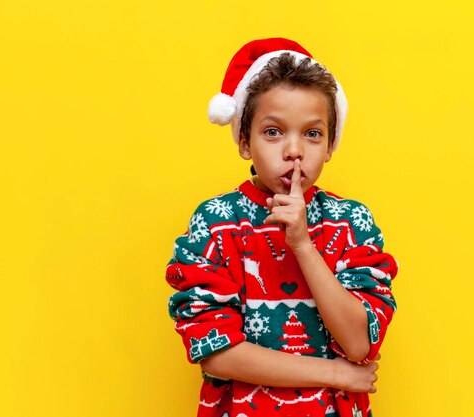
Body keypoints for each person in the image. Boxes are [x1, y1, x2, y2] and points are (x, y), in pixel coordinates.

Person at [165, 38, 399, 417]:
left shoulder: (351, 223)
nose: (294, 151)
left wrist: (303, 245)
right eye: (273, 132)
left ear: (329, 146)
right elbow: (215, 353)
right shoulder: (216, 223)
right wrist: (335, 374)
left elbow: (359, 343)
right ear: (244, 141)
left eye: (312, 133)